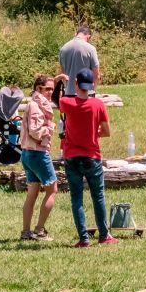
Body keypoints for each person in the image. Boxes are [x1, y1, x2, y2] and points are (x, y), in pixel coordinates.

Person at [58, 70, 117, 248]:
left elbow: (56, 99)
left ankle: (83, 239)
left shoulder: (66, 103)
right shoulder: (98, 104)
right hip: (92, 156)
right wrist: (93, 133)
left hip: (71, 156)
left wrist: (59, 81)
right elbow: (106, 131)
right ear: (92, 85)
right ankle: (104, 235)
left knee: (77, 198)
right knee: (97, 197)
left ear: (77, 84)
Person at [19, 74, 59, 242]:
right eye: (47, 89)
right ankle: (39, 230)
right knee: (52, 190)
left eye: (52, 89)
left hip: (27, 154)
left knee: (32, 193)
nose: (51, 92)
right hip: (37, 153)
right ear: (38, 89)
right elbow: (35, 131)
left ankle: (26, 232)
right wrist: (49, 129)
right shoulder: (35, 106)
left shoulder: (36, 104)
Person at [57, 24, 100, 99]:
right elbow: (96, 75)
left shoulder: (63, 49)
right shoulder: (90, 49)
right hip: (86, 93)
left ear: (76, 34)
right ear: (88, 36)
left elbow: (63, 73)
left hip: (68, 93)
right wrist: (93, 90)